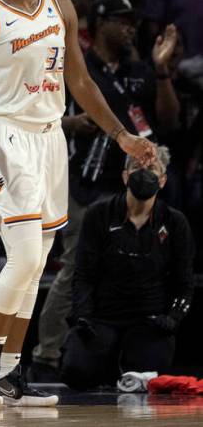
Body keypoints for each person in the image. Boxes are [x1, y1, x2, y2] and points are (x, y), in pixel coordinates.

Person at [0, 0, 155, 406]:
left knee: (38, 262)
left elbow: (80, 82)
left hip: (49, 141)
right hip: (4, 139)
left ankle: (11, 374)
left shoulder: (61, 5)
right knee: (21, 258)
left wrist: (122, 136)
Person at [31, 0, 180, 374]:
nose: (130, 27)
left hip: (133, 185)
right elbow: (34, 116)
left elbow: (168, 120)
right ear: (98, 23)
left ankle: (122, 351)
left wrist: (161, 70)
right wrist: (70, 124)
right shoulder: (75, 67)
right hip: (84, 179)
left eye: (133, 21)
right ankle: (46, 355)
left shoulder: (139, 71)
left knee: (136, 266)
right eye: (121, 20)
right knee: (77, 267)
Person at [61, 148, 193, 389]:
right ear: (125, 176)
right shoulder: (98, 214)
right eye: (137, 167)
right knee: (77, 372)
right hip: (103, 317)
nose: (144, 173)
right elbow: (83, 275)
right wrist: (82, 316)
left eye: (151, 169)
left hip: (149, 320)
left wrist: (172, 319)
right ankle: (104, 359)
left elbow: (184, 283)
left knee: (145, 376)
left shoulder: (175, 222)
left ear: (163, 180)